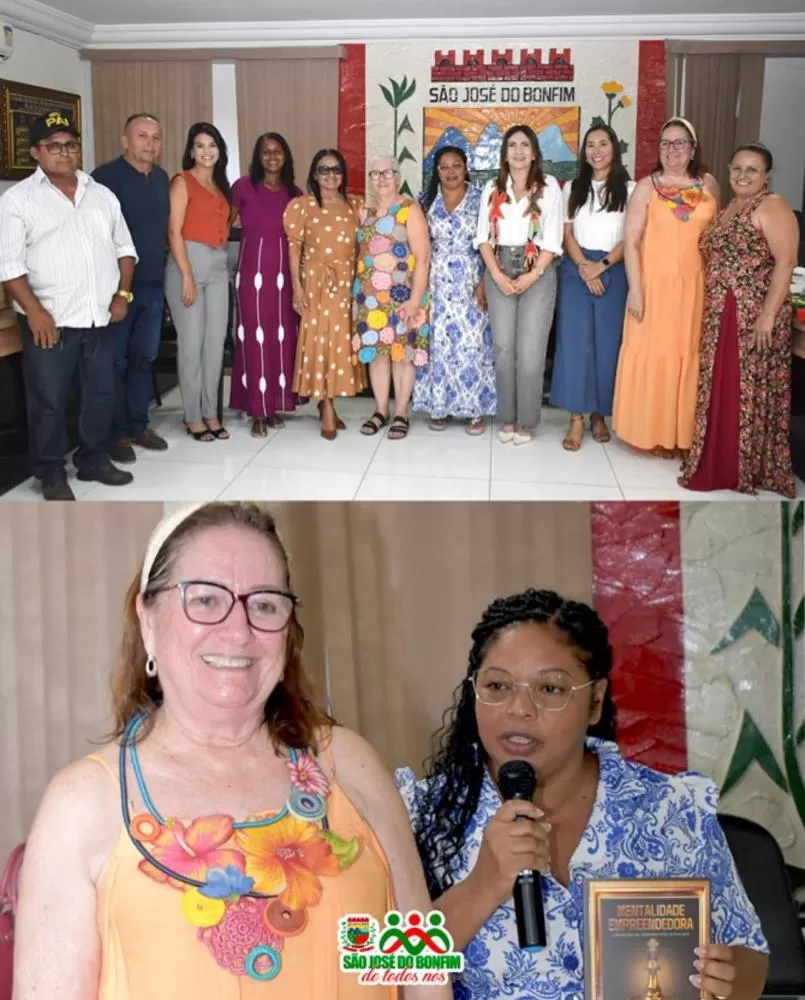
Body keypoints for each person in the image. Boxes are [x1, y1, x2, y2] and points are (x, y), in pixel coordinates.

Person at [13, 501, 451, 1000]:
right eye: (204, 599)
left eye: (264, 604)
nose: (238, 631)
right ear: (147, 619)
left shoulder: (349, 764)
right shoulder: (81, 803)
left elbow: (421, 973)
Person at [395, 588, 770, 1000]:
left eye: (550, 689)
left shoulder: (671, 809)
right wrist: (481, 887)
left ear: (595, 701)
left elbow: (749, 952)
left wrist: (725, 981)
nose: (520, 708)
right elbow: (374, 971)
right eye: (498, 685)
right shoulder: (420, 814)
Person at [0, 110, 136, 500]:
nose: (64, 152)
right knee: (48, 400)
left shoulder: (101, 194)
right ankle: (51, 472)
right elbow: (9, 266)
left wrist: (122, 294)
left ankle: (92, 460)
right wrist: (36, 312)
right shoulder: (18, 200)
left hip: (100, 316)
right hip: (50, 320)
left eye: (71, 145)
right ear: (36, 152)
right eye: (54, 146)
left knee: (100, 394)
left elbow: (125, 250)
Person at [680, 143, 799, 497]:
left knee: (743, 389)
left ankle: (741, 466)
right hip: (722, 311)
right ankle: (716, 460)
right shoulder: (732, 206)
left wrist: (767, 315)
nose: (742, 176)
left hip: (752, 314)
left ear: (767, 176)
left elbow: (786, 262)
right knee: (721, 386)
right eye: (737, 168)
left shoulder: (772, 206)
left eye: (752, 170)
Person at [612, 117, 720, 458]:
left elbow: (718, 239)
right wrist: (636, 290)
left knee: (687, 358)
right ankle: (652, 433)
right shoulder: (646, 186)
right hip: (654, 287)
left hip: (695, 290)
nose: (672, 150)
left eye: (679, 143)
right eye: (666, 144)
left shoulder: (709, 185)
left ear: (692, 147)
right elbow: (630, 241)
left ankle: (683, 434)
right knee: (653, 356)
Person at [475, 125, 564, 445]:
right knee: (503, 349)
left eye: (525, 145)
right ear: (504, 153)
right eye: (512, 145)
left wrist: (532, 274)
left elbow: (553, 239)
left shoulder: (550, 187)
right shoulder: (491, 188)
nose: (518, 151)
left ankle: (526, 420)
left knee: (529, 351)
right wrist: (497, 275)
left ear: (535, 152)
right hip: (499, 265)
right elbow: (483, 239)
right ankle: (508, 418)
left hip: (537, 268)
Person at [549, 125, 635, 450]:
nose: (596, 150)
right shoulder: (572, 187)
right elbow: (567, 233)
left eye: (603, 144)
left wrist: (602, 266)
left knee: (607, 344)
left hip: (614, 268)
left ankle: (600, 413)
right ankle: (576, 417)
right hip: (576, 269)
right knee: (573, 344)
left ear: (614, 148)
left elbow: (633, 237)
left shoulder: (630, 188)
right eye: (590, 145)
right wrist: (585, 267)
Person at [93, 113, 170, 463]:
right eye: (142, 136)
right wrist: (115, 293)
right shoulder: (104, 179)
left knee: (144, 358)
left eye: (155, 137)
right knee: (115, 362)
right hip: (116, 289)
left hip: (153, 284)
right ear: (125, 141)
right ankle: (115, 432)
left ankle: (138, 423)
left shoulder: (161, 178)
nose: (150, 144)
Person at [412, 146, 496, 434]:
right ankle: (440, 406)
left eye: (456, 165)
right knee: (439, 345)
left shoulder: (481, 199)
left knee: (473, 344)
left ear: (466, 167)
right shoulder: (424, 201)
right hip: (435, 282)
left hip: (471, 280)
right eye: (444, 166)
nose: (450, 172)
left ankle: (475, 409)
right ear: (436, 171)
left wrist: (486, 280)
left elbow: (492, 241)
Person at [283, 149, 366, 440]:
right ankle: (326, 404)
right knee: (321, 342)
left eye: (336, 170)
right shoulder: (302, 206)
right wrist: (296, 287)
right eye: (324, 169)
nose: (330, 175)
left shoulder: (355, 205)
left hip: (347, 283)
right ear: (314, 174)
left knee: (340, 342)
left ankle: (327, 402)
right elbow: (294, 250)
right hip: (316, 283)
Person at [230, 133, 302, 437]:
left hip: (286, 277)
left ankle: (273, 404)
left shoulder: (294, 193)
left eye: (277, 151)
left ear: (286, 156)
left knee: (282, 340)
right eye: (265, 152)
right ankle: (257, 410)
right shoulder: (243, 187)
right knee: (254, 338)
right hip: (252, 274)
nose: (272, 157)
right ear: (257, 157)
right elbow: (225, 224)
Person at [165, 122, 232, 443]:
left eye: (213, 145)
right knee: (192, 345)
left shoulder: (221, 187)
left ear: (220, 151)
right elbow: (173, 231)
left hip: (218, 265)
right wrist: (187, 276)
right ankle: (192, 416)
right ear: (191, 150)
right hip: (186, 264)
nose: (207, 151)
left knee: (214, 344)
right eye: (200, 145)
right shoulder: (182, 181)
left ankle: (210, 412)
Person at [356, 155, 431, 441]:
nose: (382, 178)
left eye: (388, 172)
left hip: (404, 296)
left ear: (398, 177)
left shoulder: (409, 209)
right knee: (377, 355)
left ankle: (401, 411)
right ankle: (379, 410)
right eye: (375, 174)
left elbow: (423, 258)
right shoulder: (365, 211)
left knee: (402, 355)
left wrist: (415, 300)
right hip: (371, 297)